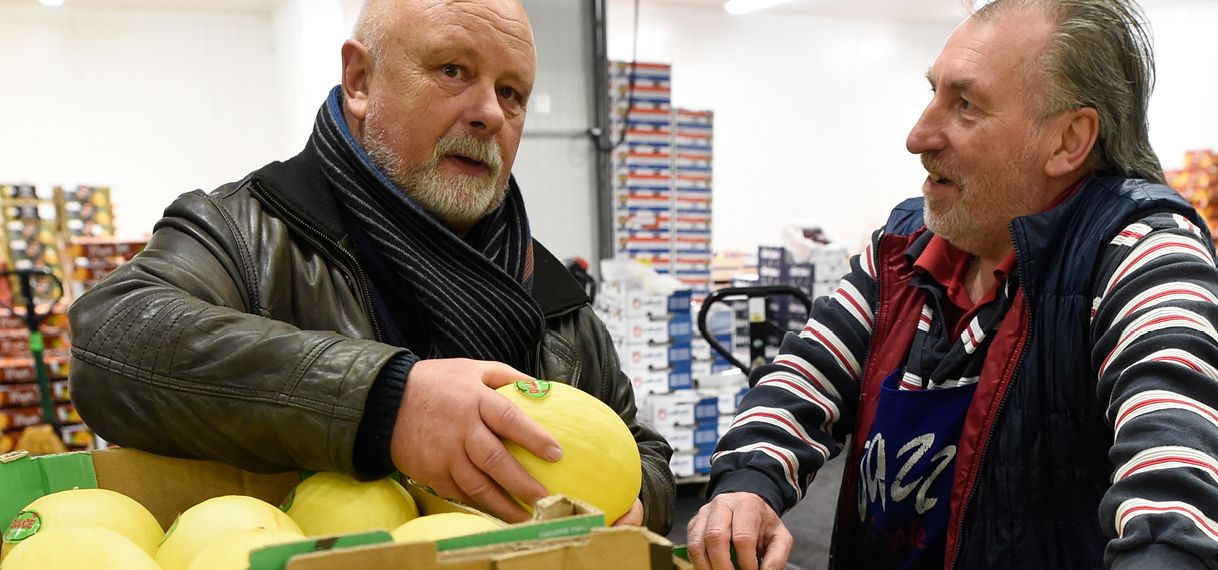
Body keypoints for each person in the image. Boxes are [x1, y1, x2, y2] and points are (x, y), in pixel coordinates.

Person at [66, 0, 674, 534]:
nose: (489, 111)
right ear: (359, 79)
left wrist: (636, 500)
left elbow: (643, 451)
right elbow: (114, 339)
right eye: (453, 70)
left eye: (511, 92)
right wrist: (389, 402)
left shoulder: (547, 293)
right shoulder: (244, 232)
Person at [687, 0, 1218, 568]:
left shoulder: (1143, 256)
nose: (918, 136)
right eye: (933, 93)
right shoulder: (903, 246)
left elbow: (1173, 478)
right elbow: (804, 379)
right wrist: (746, 481)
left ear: (1068, 140)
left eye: (965, 105)